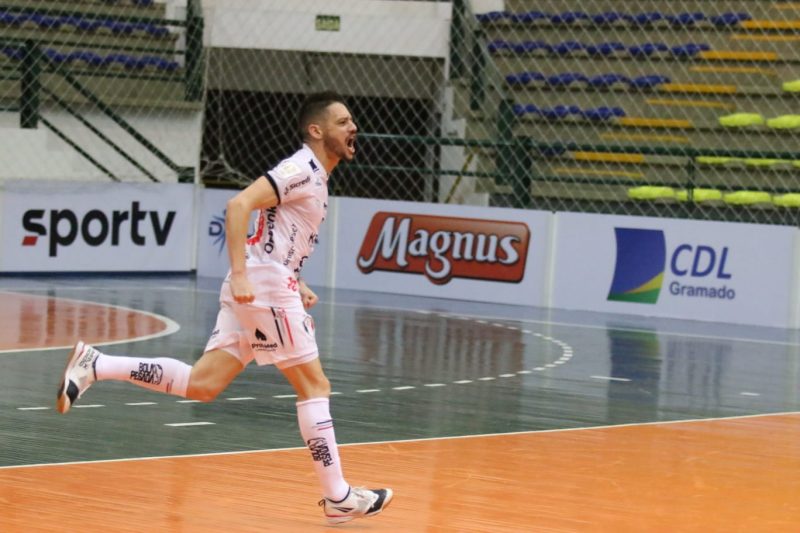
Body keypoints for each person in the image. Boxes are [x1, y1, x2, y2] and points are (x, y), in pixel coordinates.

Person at [56, 91, 392, 525]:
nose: (353, 128)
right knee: (315, 386)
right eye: (343, 121)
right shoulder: (300, 169)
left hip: (267, 282)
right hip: (263, 286)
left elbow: (273, 233)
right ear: (316, 130)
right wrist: (242, 274)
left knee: (203, 384)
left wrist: (293, 278)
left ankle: (96, 364)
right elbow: (239, 206)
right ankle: (338, 498)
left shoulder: (315, 177)